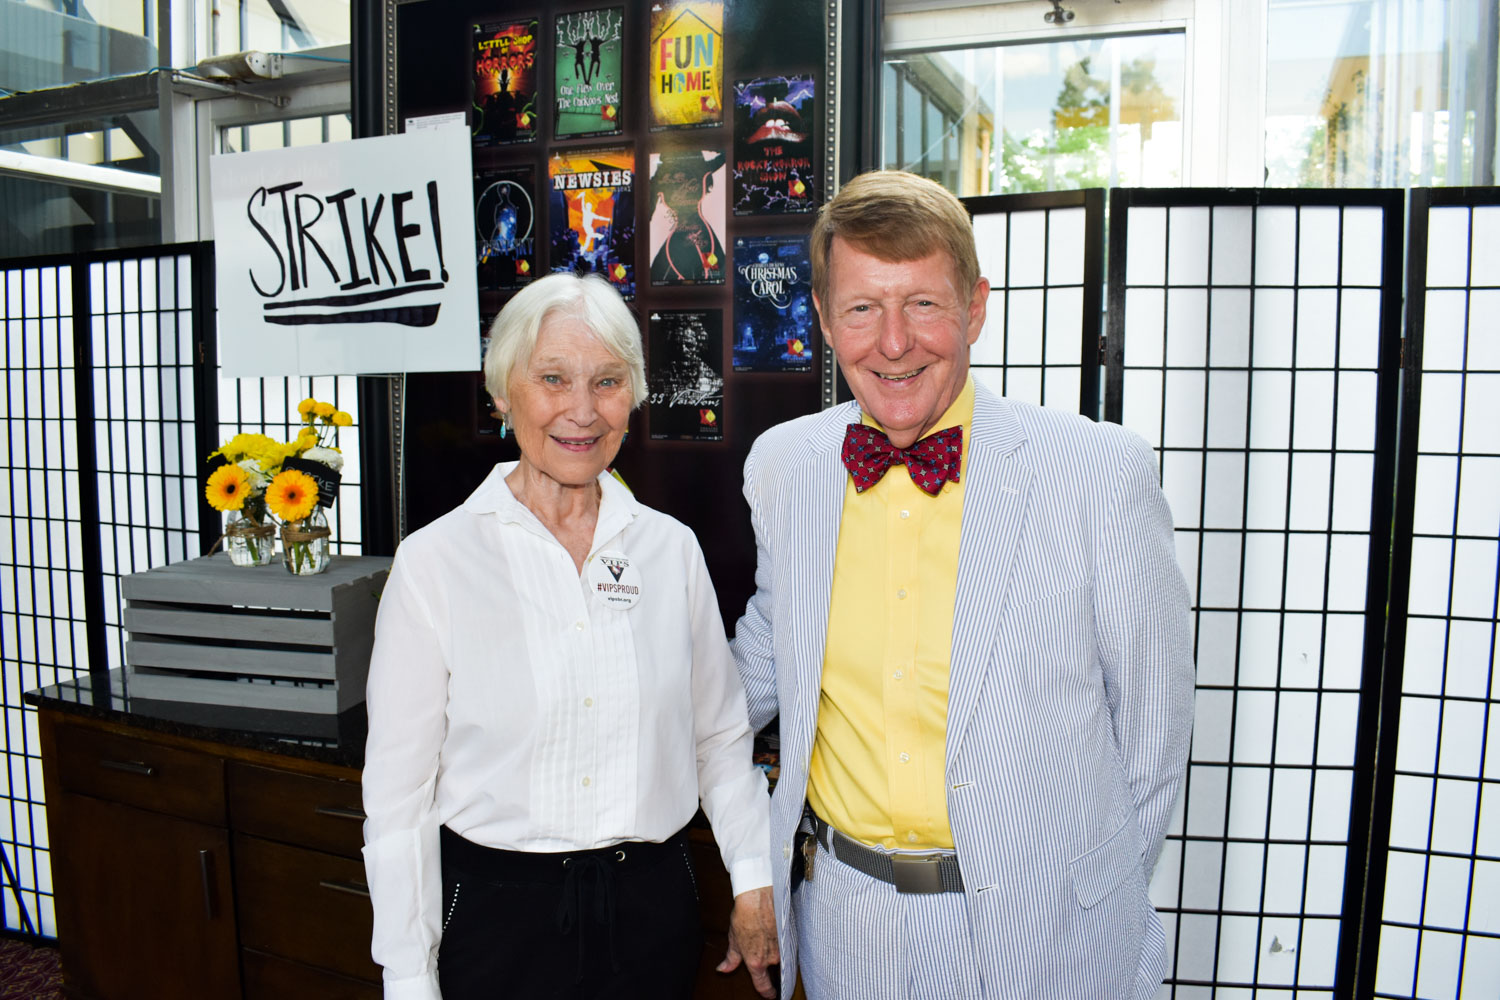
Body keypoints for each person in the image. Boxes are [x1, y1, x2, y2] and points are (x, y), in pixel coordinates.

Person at [731, 170, 1195, 999]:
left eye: (923, 303)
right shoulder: (786, 465)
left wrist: (1092, 901)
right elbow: (764, 660)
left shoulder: (1098, 473)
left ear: (975, 308)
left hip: (1046, 934)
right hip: (847, 926)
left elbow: (1153, 738)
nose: (894, 342)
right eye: (862, 308)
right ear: (825, 320)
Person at [362, 271, 778, 1000]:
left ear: (633, 395)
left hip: (653, 911)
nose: (582, 411)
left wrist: (752, 880)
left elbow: (717, 736)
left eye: (607, 381)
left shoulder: (671, 550)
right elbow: (399, 796)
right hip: (496, 918)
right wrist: (407, 975)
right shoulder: (435, 562)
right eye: (552, 379)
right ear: (502, 392)